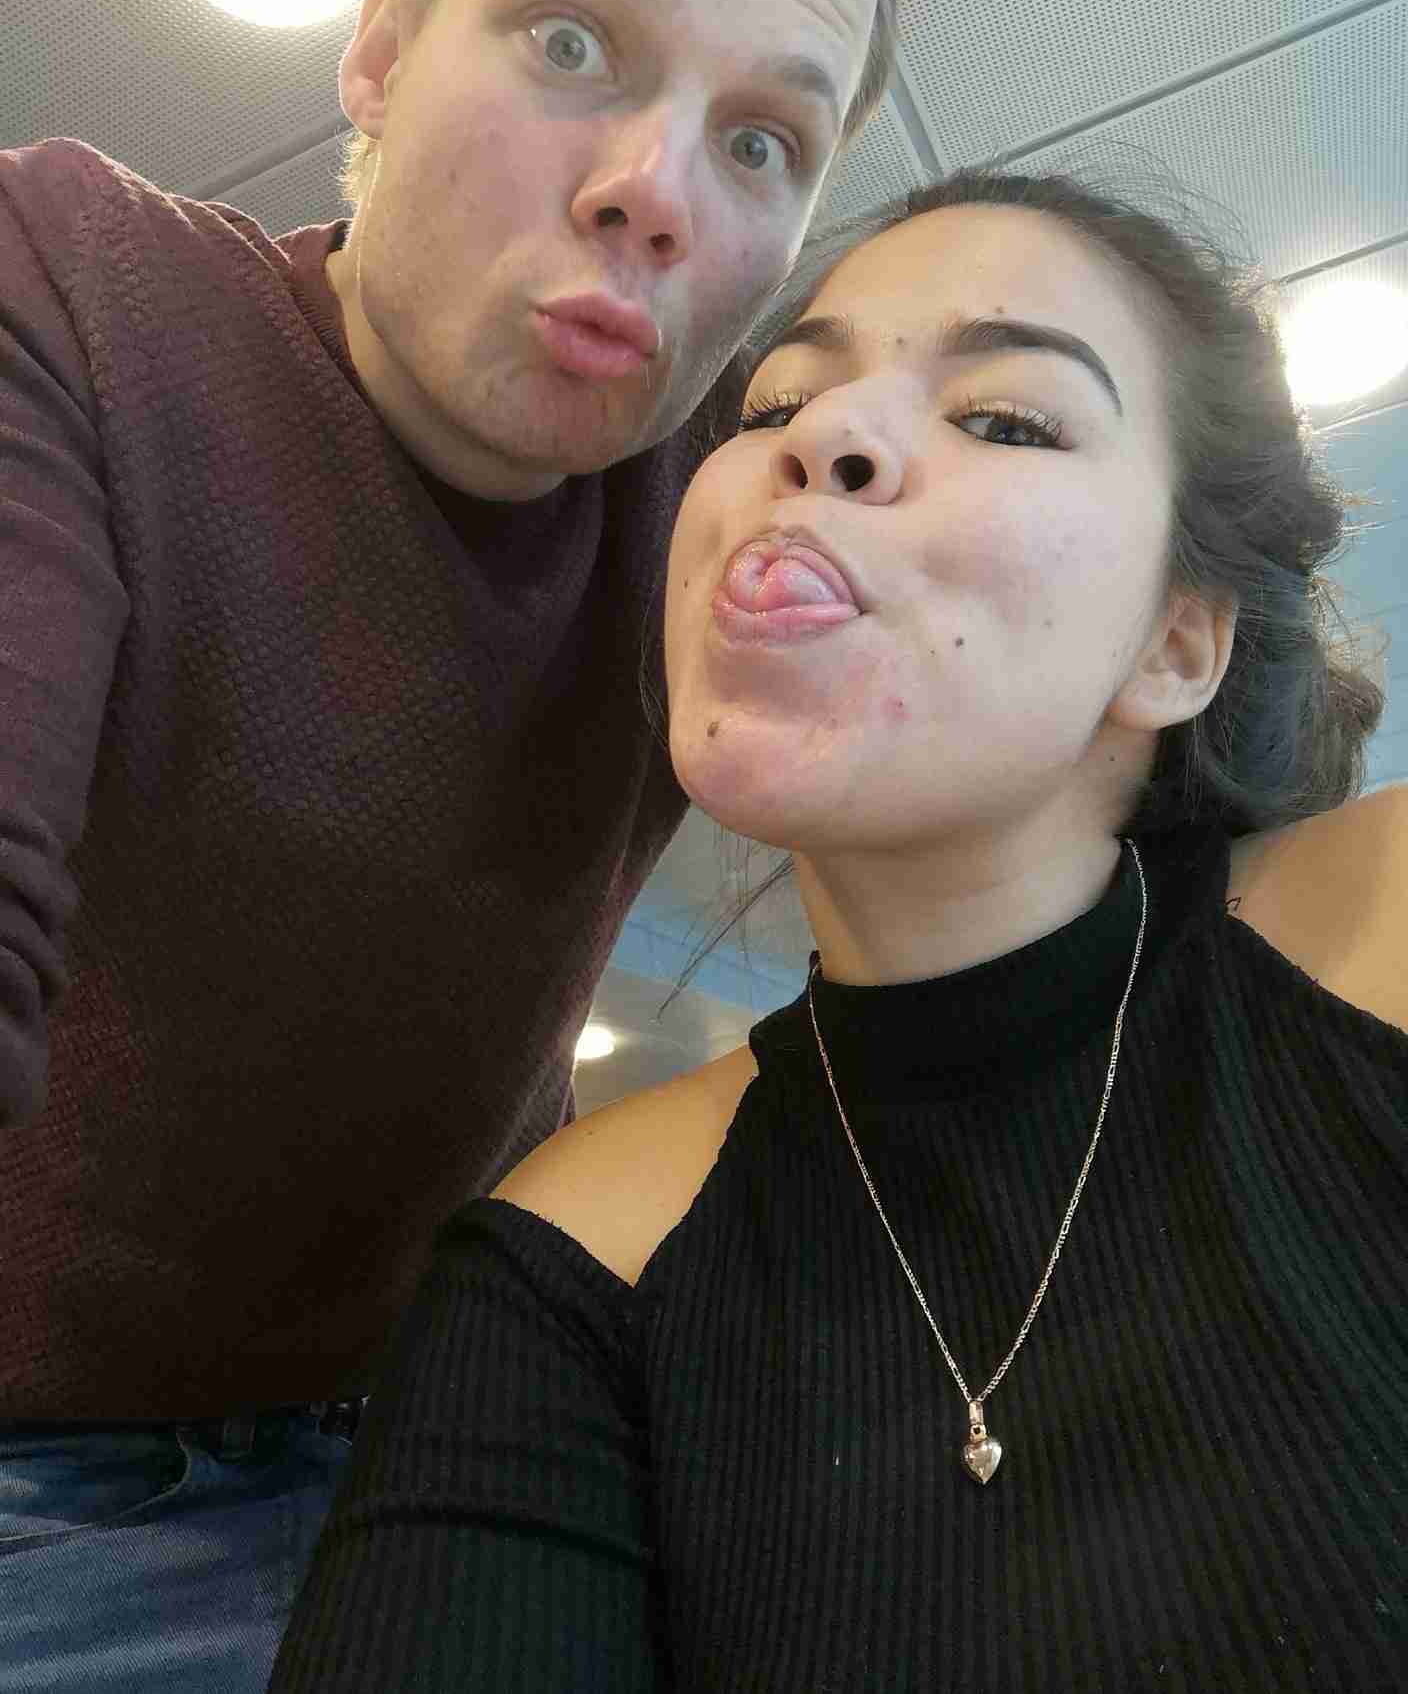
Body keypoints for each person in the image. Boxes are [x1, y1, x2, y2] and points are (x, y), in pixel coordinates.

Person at [269, 167, 1406, 1692]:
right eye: (777, 404)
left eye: (1006, 419)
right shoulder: (584, 1247)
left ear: (1176, 642)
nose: (824, 435)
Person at [0, 0, 917, 1685]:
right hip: (42, 1479)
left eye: (762, 140)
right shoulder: (78, 288)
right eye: (574, 40)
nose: (656, 193)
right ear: (383, 44)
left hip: (471, 1411)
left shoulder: (729, 492)